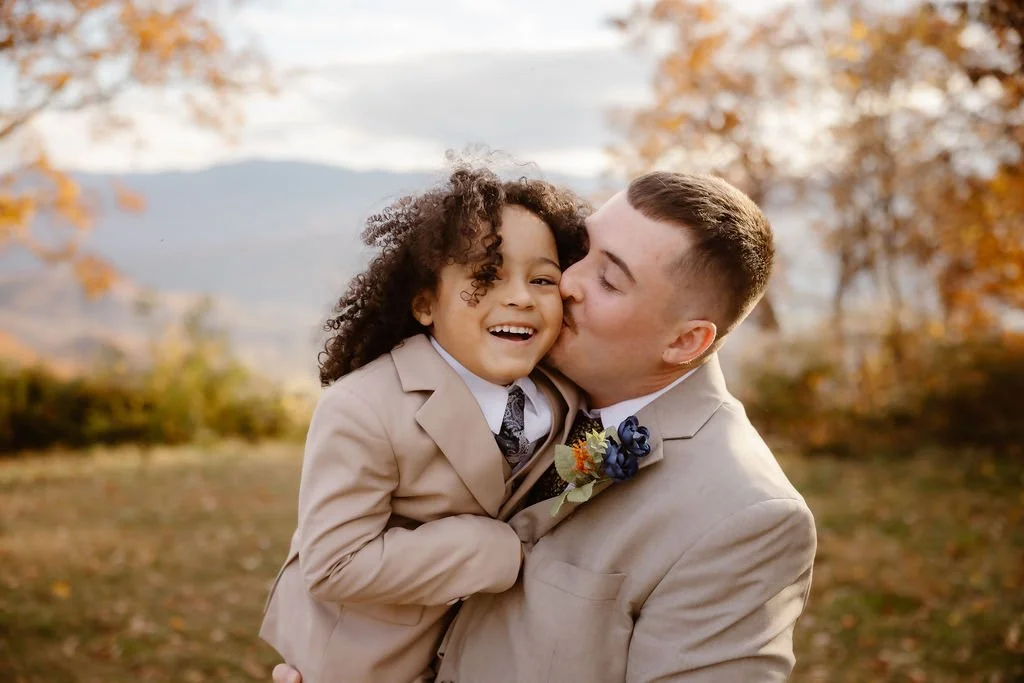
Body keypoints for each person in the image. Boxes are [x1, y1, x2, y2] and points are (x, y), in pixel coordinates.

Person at [273, 171, 817, 683]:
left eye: (607, 278)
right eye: (577, 252)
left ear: (684, 343)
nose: (565, 284)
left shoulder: (744, 517)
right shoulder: (524, 392)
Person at [259, 167, 588, 683]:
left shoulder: (562, 394)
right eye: (486, 275)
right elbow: (333, 563)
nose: (522, 297)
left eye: (543, 279)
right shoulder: (363, 408)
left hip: (488, 654)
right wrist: (493, 549)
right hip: (372, 663)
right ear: (425, 303)